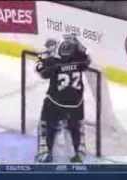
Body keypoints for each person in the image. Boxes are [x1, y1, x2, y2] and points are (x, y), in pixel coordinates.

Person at [34, 34, 91, 163]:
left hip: (56, 103)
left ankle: (44, 151)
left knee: (46, 123)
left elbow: (40, 69)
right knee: (77, 126)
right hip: (76, 104)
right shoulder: (80, 62)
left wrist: (44, 54)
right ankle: (80, 150)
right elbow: (87, 57)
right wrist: (78, 42)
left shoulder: (54, 64)